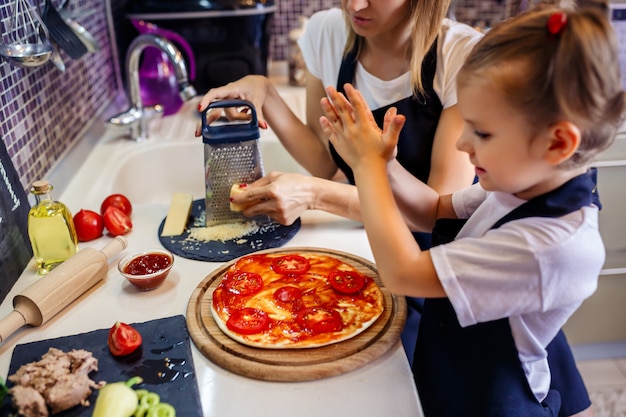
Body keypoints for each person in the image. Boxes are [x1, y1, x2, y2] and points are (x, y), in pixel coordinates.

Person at [319, 5, 625, 417]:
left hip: (494, 403)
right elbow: (433, 211)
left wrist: (367, 167)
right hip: (453, 378)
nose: (463, 143)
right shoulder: (521, 187)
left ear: (556, 143)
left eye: (482, 131)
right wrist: (386, 163)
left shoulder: (551, 245)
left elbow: (403, 273)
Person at [197, 0, 481, 363]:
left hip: (432, 277)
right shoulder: (327, 33)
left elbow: (439, 213)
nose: (354, 5)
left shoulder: (460, 55)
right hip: (363, 256)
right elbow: (324, 162)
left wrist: (316, 195)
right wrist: (267, 94)